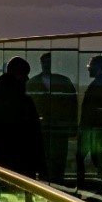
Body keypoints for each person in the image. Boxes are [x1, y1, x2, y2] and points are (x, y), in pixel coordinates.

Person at [0, 57, 45, 179]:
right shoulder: (26, 102)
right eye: (25, 74)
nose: (27, 78)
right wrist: (40, 165)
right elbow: (35, 134)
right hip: (24, 159)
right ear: (19, 75)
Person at [28, 52, 78, 184]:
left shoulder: (33, 82)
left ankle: (55, 182)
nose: (46, 65)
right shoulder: (63, 81)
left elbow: (72, 106)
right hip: (47, 128)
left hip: (56, 128)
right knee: (46, 158)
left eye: (49, 62)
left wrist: (72, 126)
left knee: (58, 159)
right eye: (45, 62)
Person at [75, 54, 102, 194]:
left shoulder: (99, 84)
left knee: (84, 158)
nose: (88, 70)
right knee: (98, 159)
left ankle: (83, 186)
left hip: (92, 129)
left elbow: (91, 110)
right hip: (95, 128)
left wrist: (84, 126)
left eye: (90, 67)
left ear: (99, 68)